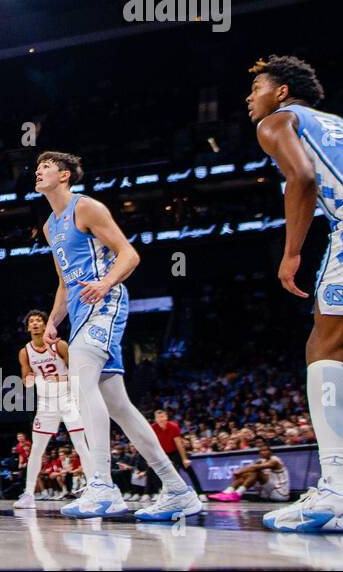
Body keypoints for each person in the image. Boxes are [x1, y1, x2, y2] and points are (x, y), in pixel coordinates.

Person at [246, 56, 343, 533]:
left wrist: (292, 251)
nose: (249, 97)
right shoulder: (339, 123)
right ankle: (339, 487)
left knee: (326, 345)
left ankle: (342, 490)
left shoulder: (276, 122)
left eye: (257, 87)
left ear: (282, 92)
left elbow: (300, 179)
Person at [35, 151, 203, 521]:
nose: (38, 172)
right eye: (37, 168)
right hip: (79, 312)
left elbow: (129, 254)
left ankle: (102, 484)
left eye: (45, 167)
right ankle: (177, 490)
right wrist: (52, 321)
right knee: (119, 408)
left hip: (107, 301)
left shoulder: (88, 207)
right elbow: (64, 282)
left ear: (64, 176)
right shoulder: (50, 226)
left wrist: (106, 282)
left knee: (80, 377)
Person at [14, 309, 91, 508]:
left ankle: (94, 488)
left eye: (39, 320)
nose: (36, 323)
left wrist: (68, 386)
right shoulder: (25, 352)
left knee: (80, 444)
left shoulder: (60, 345)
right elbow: (26, 379)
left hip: (67, 397)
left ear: (47, 324)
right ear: (28, 327)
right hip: (46, 401)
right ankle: (29, 494)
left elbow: (75, 371)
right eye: (32, 321)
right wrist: (29, 380)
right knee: (37, 449)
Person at [208, 440, 290, 503]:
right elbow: (250, 468)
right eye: (261, 451)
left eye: (265, 450)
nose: (263, 452)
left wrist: (239, 471)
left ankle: (237, 494)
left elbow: (254, 467)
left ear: (270, 452)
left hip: (280, 494)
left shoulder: (275, 460)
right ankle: (227, 492)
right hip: (267, 494)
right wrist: (240, 473)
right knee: (248, 473)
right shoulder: (260, 460)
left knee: (256, 472)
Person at [149, 409, 203, 496]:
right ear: (155, 419)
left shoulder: (173, 426)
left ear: (166, 417)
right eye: (158, 417)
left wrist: (184, 459)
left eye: (162, 416)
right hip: (162, 453)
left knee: (189, 469)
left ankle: (200, 493)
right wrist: (152, 459)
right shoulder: (153, 428)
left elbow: (179, 443)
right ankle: (157, 493)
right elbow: (152, 444)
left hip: (174, 451)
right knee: (153, 470)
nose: (160, 419)